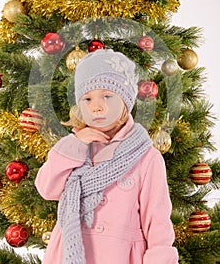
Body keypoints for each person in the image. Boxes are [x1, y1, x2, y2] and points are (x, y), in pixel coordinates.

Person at [35, 49, 179, 264]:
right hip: (68, 252)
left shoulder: (146, 157)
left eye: (107, 96)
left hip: (120, 255)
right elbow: (47, 188)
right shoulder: (74, 148)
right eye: (88, 98)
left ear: (125, 100)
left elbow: (157, 222)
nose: (97, 107)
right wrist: (76, 143)